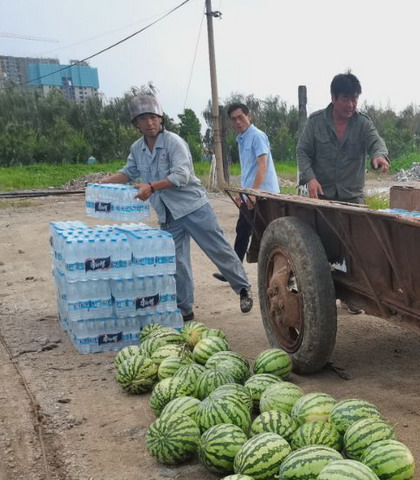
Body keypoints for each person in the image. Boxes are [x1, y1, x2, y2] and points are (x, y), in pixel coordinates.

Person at [100, 93, 253, 322]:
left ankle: (243, 289)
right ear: (136, 123)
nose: (149, 123)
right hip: (168, 215)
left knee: (218, 249)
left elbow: (181, 175)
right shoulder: (137, 148)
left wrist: (151, 187)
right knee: (177, 263)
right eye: (143, 119)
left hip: (193, 207)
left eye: (153, 117)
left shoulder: (174, 142)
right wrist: (102, 183)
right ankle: (185, 310)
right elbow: (128, 172)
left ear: (160, 118)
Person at [296, 71, 390, 204]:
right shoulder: (315, 122)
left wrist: (379, 155)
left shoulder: (363, 123)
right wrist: (310, 178)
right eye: (345, 99)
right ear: (333, 98)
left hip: (353, 198)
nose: (350, 105)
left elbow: (376, 142)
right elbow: (302, 151)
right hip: (320, 196)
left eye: (354, 99)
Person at [213, 102, 280, 282]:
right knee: (243, 230)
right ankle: (234, 272)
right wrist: (241, 193)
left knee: (267, 234)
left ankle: (279, 275)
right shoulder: (242, 139)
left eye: (241, 117)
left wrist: (253, 194)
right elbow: (248, 169)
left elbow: (262, 166)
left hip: (264, 195)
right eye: (234, 119)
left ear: (249, 117)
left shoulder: (257, 136)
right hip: (251, 194)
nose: (238, 122)